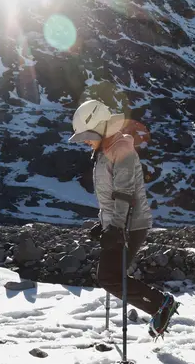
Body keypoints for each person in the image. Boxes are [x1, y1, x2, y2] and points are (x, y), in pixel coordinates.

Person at [68, 99, 178, 338]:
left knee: (109, 277)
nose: (85, 140)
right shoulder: (104, 150)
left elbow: (124, 193)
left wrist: (115, 228)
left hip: (130, 225)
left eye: (87, 134)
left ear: (100, 127)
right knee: (111, 276)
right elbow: (111, 195)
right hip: (118, 222)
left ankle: (161, 304)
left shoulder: (121, 149)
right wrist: (104, 222)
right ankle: (160, 305)